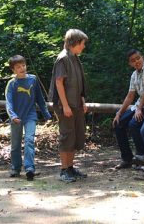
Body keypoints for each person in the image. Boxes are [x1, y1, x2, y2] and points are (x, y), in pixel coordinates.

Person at [49, 29, 89, 183]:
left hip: (76, 104)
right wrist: (65, 106)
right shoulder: (63, 58)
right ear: (75, 43)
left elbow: (79, 84)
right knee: (66, 136)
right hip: (65, 105)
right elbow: (59, 82)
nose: (83, 46)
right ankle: (64, 170)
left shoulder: (75, 58)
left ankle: (71, 167)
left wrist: (82, 101)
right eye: (82, 43)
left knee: (75, 136)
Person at [5, 55, 52, 181]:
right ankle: (15, 167)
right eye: (18, 67)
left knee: (29, 140)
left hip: (30, 115)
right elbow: (8, 103)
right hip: (16, 117)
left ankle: (30, 168)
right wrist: (13, 116)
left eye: (23, 65)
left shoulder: (33, 79)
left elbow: (40, 99)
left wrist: (46, 114)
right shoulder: (12, 84)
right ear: (13, 70)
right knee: (15, 144)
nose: (22, 68)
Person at [112, 49, 144, 169]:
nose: (136, 62)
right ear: (130, 64)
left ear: (142, 57)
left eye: (138, 58)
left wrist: (139, 109)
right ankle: (127, 159)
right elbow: (130, 96)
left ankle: (142, 157)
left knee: (134, 124)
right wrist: (119, 113)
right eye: (133, 61)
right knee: (118, 123)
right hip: (139, 106)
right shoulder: (134, 74)